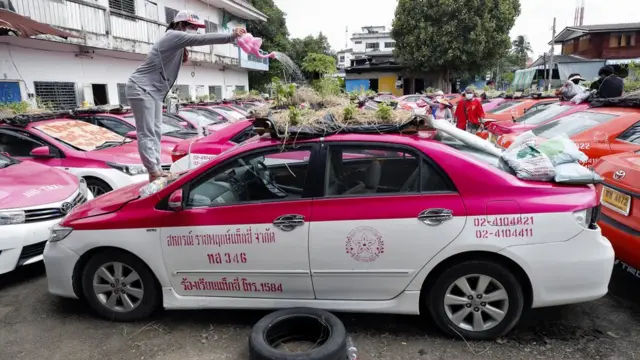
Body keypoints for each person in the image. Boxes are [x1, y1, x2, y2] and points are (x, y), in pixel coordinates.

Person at [126, 10, 246, 181]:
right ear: (181, 25)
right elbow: (201, 40)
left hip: (153, 91)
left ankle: (158, 170)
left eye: (196, 28)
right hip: (141, 87)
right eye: (192, 27)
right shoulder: (173, 35)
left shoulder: (177, 42)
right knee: (147, 132)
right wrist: (231, 36)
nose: (195, 31)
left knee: (156, 132)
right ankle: (153, 172)